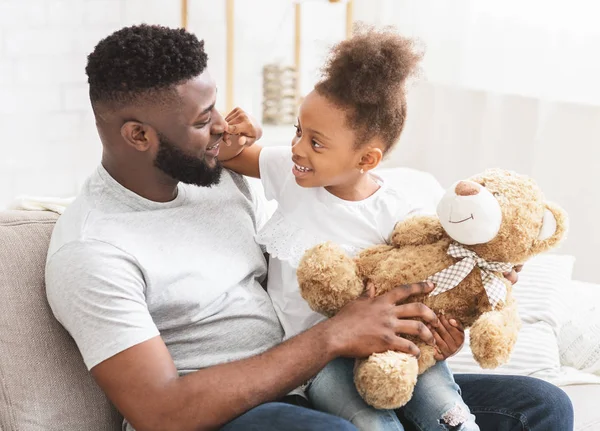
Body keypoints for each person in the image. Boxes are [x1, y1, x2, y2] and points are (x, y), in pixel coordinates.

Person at [44, 24, 573, 431]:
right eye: (203, 120)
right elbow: (161, 411)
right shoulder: (94, 249)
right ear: (138, 135)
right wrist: (334, 337)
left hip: (320, 377)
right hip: (221, 415)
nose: (225, 126)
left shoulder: (212, 177)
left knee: (541, 407)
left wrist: (434, 311)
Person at [218, 25, 480, 431]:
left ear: (367, 160)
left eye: (316, 142)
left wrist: (449, 338)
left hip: (398, 349)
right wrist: (237, 136)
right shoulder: (291, 173)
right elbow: (234, 157)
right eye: (297, 131)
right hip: (320, 361)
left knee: (448, 415)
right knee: (371, 424)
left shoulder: (401, 212)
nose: (298, 147)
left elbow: (441, 278)